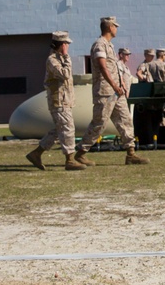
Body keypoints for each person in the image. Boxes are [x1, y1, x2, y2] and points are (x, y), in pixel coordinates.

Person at [74, 17, 149, 166]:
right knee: (99, 122)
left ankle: (131, 153)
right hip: (105, 92)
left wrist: (120, 86)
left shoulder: (109, 45)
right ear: (109, 27)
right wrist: (115, 85)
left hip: (116, 92)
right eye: (115, 26)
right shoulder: (99, 45)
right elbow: (103, 67)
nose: (116, 28)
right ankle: (80, 153)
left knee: (125, 120)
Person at [25, 31, 86, 171]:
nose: (68, 47)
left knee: (60, 129)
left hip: (64, 101)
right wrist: (66, 56)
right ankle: (70, 160)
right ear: (62, 45)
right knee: (68, 128)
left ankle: (36, 153)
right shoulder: (53, 60)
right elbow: (65, 75)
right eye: (66, 44)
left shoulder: (59, 59)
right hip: (58, 101)